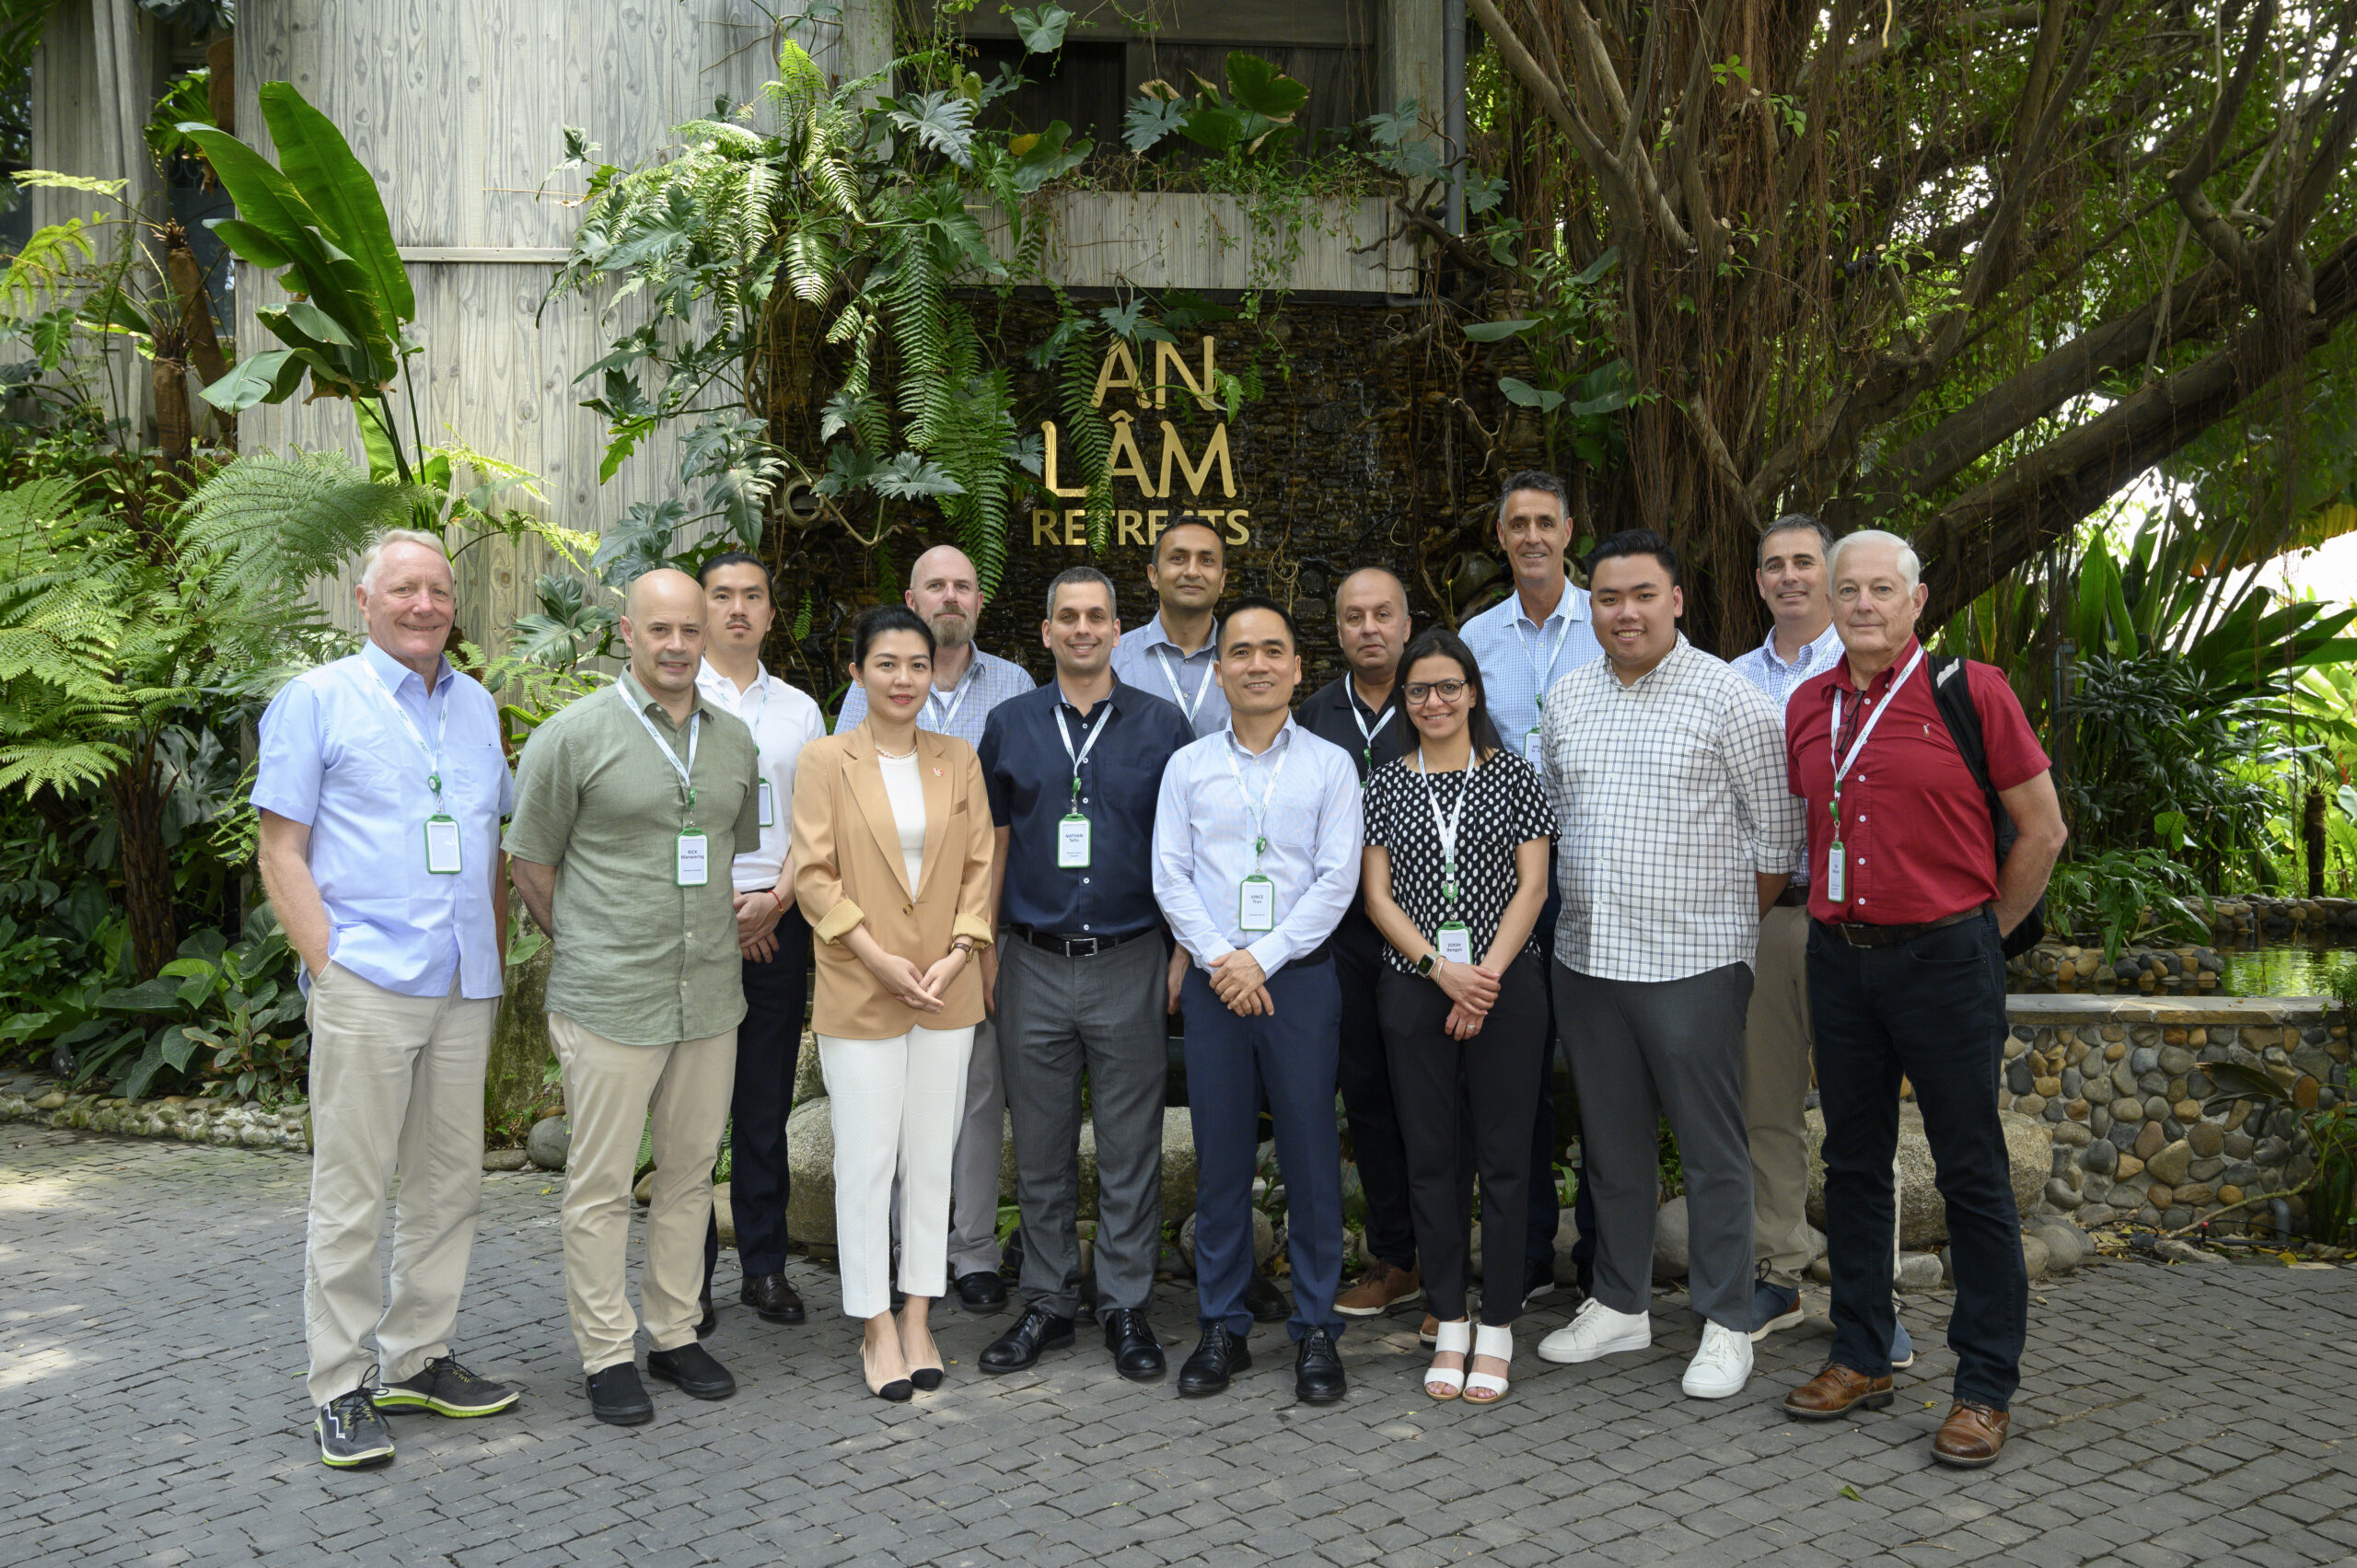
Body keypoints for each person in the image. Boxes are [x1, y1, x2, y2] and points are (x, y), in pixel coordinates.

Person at [1779, 529, 2065, 1469]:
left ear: (1916, 600)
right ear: (1829, 601)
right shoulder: (1808, 705)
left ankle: (1983, 1385)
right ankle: (1862, 1353)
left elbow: (2042, 829)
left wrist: (1982, 932)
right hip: (1840, 959)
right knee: (1852, 1162)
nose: (1862, 604)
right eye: (1847, 589)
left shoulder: (1970, 692)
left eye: (1880, 589)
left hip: (1945, 960)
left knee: (1970, 1170)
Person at [254, 528, 519, 1469]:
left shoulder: (477, 705)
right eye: (404, 588)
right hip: (367, 980)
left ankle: (417, 1356)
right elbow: (280, 847)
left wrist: (492, 953)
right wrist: (328, 966)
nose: (424, 605)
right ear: (363, 601)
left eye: (438, 590)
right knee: (353, 1191)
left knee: (450, 1183)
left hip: (463, 981)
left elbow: (489, 844)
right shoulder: (317, 699)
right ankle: (339, 1383)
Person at [1531, 529, 1803, 1402]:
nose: (1626, 613)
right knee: (1612, 1146)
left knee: (1712, 1148)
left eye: (1643, 594)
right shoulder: (1568, 697)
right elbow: (1557, 822)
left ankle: (1727, 1317)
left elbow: (1777, 842)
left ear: (1676, 599)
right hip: (1588, 960)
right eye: (1609, 598)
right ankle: (1620, 1302)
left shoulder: (1731, 699)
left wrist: (1715, 926)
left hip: (1694, 964)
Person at [505, 569, 763, 1426]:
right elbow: (530, 865)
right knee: (603, 1182)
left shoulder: (733, 742)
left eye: (691, 629)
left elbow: (725, 851)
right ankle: (606, 1350)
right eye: (661, 629)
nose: (678, 645)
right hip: (610, 998)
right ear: (628, 632)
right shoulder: (572, 736)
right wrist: (587, 943)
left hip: (709, 997)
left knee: (689, 1175)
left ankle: (674, 1332)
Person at [974, 567, 1195, 1381]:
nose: (1082, 628)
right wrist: (986, 948)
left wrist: (1181, 951)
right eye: (1067, 615)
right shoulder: (1009, 723)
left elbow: (1184, 847)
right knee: (1040, 1145)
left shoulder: (1162, 725)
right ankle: (1046, 1299)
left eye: (1096, 615)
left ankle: (1125, 1303)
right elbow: (992, 846)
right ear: (1046, 631)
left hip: (1132, 957)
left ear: (1116, 630)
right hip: (1031, 959)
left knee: (1131, 1144)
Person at [1152, 596, 1363, 1403]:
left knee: (1310, 1157)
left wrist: (1261, 959)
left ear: (1298, 668)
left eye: (1273, 650)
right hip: (1216, 985)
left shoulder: (1330, 766)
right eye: (1240, 652)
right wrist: (1221, 958)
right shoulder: (1189, 767)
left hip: (1298, 979)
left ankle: (1316, 1327)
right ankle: (1223, 1325)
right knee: (1222, 1158)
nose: (1257, 664)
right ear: (1219, 671)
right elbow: (1170, 873)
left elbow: (1337, 879)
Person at [791, 606, 996, 1401]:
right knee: (867, 1159)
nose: (903, 678)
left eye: (916, 664)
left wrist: (957, 954)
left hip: (945, 987)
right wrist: (877, 958)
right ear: (857, 673)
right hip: (860, 984)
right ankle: (875, 1322)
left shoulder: (959, 758)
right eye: (886, 663)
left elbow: (979, 866)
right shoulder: (825, 759)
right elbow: (813, 874)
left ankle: (918, 1314)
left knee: (931, 1159)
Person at [1728, 517, 1914, 1367]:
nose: (1790, 576)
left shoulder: (1879, 669)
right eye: (1775, 565)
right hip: (1769, 915)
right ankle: (1779, 1269)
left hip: (1861, 923)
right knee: (1764, 1101)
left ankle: (1873, 1292)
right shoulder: (1731, 680)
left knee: (1861, 1114)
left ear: (1832, 577)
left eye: (1806, 561)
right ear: (1759, 581)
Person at [1361, 629, 1556, 1405]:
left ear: (1473, 693)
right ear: (1404, 702)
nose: (1434, 701)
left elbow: (1533, 885)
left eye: (1448, 686)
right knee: (1432, 1159)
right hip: (1416, 987)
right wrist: (1441, 971)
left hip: (1506, 986)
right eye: (1419, 690)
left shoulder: (1513, 774)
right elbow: (1377, 897)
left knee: (1505, 1160)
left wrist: (1484, 979)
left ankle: (1498, 1324)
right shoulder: (1385, 783)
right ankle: (1449, 1318)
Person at [839, 543, 1035, 1312]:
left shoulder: (1015, 686)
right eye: (936, 586)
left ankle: (974, 1248)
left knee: (974, 1097)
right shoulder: (867, 695)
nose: (950, 596)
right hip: (882, 939)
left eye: (964, 585)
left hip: (978, 935)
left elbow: (1002, 833)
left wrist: (976, 942)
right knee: (890, 1107)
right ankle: (897, 1252)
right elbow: (845, 820)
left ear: (979, 601)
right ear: (913, 601)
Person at [1457, 470, 1604, 1310]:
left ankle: (1603, 1259)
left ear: (1568, 530)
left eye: (1546, 521)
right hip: (1511, 890)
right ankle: (1525, 1253)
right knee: (1518, 1073)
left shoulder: (1609, 623)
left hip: (1600, 880)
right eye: (1518, 523)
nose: (1533, 536)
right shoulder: (1477, 638)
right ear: (1502, 536)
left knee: (1602, 1071)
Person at [693, 552, 828, 1331]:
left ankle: (765, 1267)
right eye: (723, 595)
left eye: (753, 596)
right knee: (690, 1111)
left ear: (772, 614)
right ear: (701, 608)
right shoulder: (675, 693)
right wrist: (725, 910)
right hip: (696, 925)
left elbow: (816, 822)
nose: (738, 608)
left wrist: (774, 903)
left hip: (779, 924)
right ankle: (689, 1278)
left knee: (764, 1106)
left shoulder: (801, 711)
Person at [1296, 568, 1422, 1320]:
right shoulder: (1313, 714)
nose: (1369, 628)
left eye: (1383, 614)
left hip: (1429, 933)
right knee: (1369, 1095)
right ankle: (1397, 1256)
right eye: (1354, 616)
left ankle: (1446, 1260)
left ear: (1408, 623)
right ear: (1338, 629)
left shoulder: (1438, 698)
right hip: (1343, 937)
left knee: (1437, 1096)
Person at [1111, 515, 1229, 738]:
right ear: (1153, 575)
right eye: (1178, 558)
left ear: (1222, 580)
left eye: (1206, 560)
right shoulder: (1113, 659)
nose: (1192, 572)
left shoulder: (1246, 661)